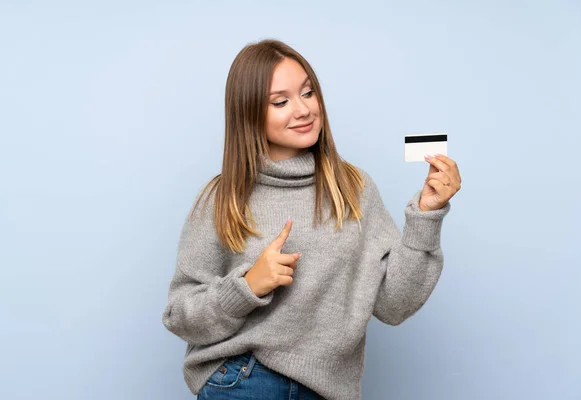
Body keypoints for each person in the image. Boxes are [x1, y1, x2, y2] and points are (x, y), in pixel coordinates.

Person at [162, 39, 462, 400]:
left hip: (329, 390)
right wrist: (247, 287)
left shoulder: (353, 188)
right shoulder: (223, 199)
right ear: (248, 112)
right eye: (281, 101)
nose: (303, 110)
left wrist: (426, 216)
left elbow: (393, 305)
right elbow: (179, 316)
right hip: (244, 381)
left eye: (308, 92)